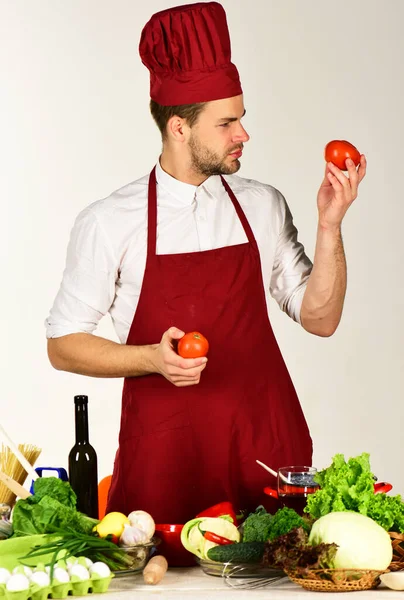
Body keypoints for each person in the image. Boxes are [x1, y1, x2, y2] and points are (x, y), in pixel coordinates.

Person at [46, 2, 366, 523]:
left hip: (263, 455)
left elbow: (321, 319)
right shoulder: (110, 221)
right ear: (179, 127)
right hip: (166, 463)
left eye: (242, 118)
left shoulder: (262, 204)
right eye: (227, 123)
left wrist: (330, 225)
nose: (244, 134)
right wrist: (152, 358)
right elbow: (62, 345)